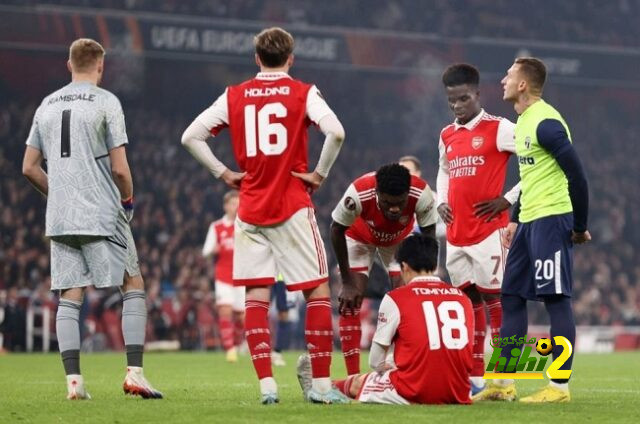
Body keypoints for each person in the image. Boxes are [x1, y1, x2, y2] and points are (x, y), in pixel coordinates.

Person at [181, 27, 348, 404]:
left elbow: (190, 136)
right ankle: (321, 387)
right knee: (317, 291)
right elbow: (335, 132)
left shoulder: (235, 95)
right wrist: (319, 174)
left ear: (257, 58)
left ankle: (267, 387)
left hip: (251, 208)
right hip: (291, 204)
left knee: (255, 295)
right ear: (291, 58)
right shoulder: (303, 92)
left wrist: (223, 173)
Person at [21, 38, 162, 400]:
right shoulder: (106, 102)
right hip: (102, 210)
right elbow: (119, 167)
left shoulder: (46, 105)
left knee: (70, 294)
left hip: (61, 216)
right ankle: (134, 373)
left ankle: (74, 384)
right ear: (100, 66)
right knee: (132, 283)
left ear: (69, 65)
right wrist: (127, 201)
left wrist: (60, 195)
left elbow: (29, 168)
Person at [474, 57, 590, 403]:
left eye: (509, 76)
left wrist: (580, 227)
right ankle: (503, 383)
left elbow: (578, 177)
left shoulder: (546, 124)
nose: (503, 81)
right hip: (529, 222)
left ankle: (559, 388)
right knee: (510, 297)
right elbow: (530, 178)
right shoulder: (522, 122)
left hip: (554, 219)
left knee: (556, 300)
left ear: (523, 84)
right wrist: (514, 219)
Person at [298, 235, 473, 404]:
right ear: (434, 265)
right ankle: (497, 377)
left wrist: (390, 365)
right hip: (459, 390)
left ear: (404, 266)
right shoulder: (462, 298)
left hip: (416, 390)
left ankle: (320, 386)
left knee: (361, 382)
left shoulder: (397, 297)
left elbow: (375, 362)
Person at [436, 63, 521, 394]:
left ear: (478, 94)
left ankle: (509, 379)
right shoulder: (446, 135)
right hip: (457, 232)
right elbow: (444, 170)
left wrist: (508, 198)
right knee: (467, 302)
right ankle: (475, 377)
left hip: (489, 229)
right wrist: (442, 198)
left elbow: (535, 161)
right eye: (452, 101)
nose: (457, 106)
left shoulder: (499, 128)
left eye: (463, 99)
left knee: (499, 301)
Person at [330, 163, 437, 376]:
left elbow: (428, 235)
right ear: (377, 193)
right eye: (388, 203)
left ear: (408, 193)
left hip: (399, 240)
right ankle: (353, 377)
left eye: (400, 203)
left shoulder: (422, 194)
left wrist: (425, 274)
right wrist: (347, 281)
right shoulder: (359, 193)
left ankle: (398, 363)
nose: (395, 209)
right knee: (351, 299)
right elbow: (336, 229)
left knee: (407, 297)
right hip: (358, 238)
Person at [202, 190, 245, 363]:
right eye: (233, 203)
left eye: (238, 203)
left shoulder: (245, 226)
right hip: (223, 276)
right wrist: (213, 250)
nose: (236, 207)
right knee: (225, 310)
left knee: (241, 317)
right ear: (226, 206)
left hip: (242, 276)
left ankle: (235, 342)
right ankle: (230, 349)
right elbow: (205, 251)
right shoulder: (217, 226)